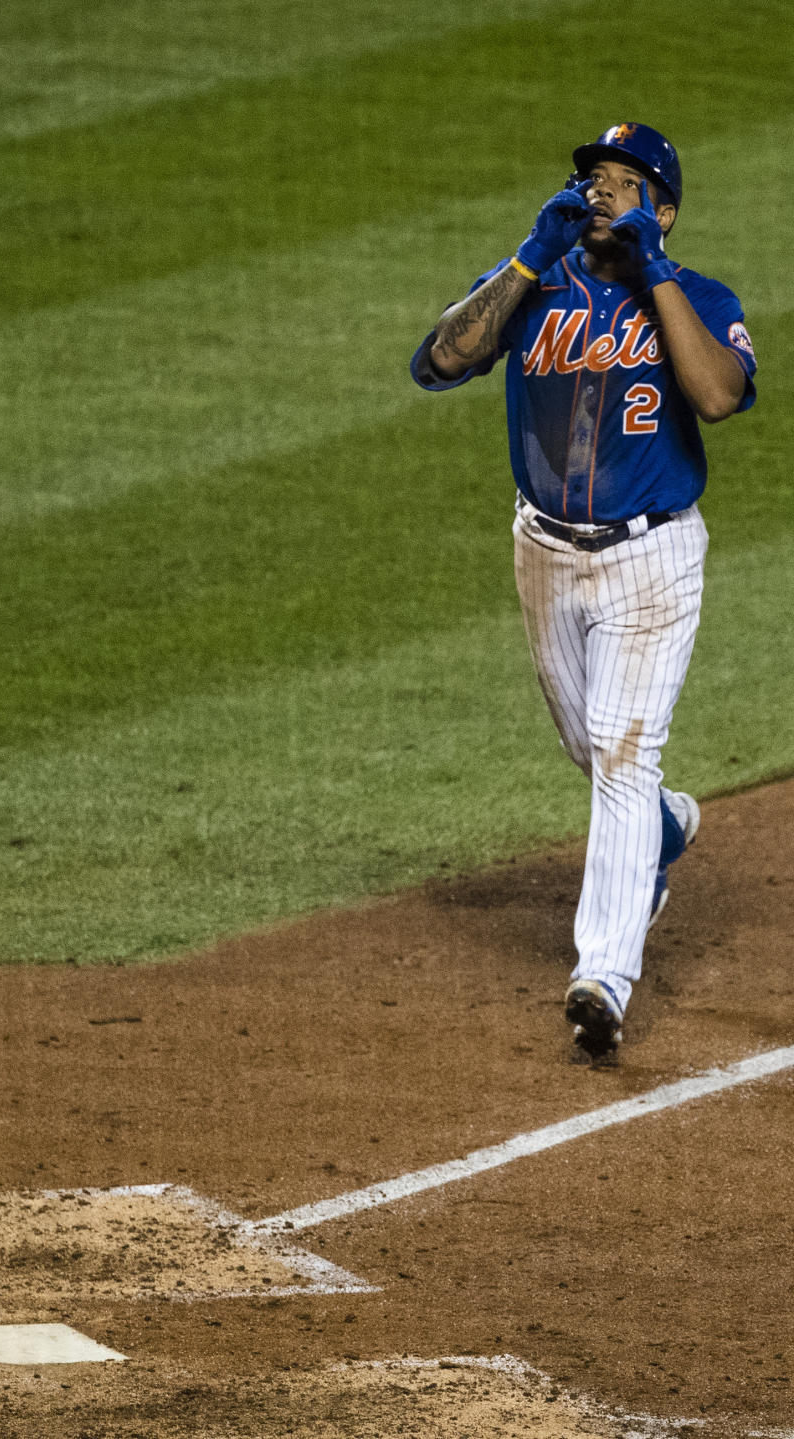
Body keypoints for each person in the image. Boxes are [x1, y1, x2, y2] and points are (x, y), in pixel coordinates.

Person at [410, 123, 757, 1060]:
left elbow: (719, 395)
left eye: (625, 183)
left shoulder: (702, 299)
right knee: (587, 744)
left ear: (666, 210)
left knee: (619, 750)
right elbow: (441, 360)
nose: (602, 194)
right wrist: (530, 253)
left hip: (652, 559)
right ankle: (661, 828)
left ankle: (603, 974)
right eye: (593, 181)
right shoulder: (536, 283)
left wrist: (657, 274)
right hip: (545, 553)